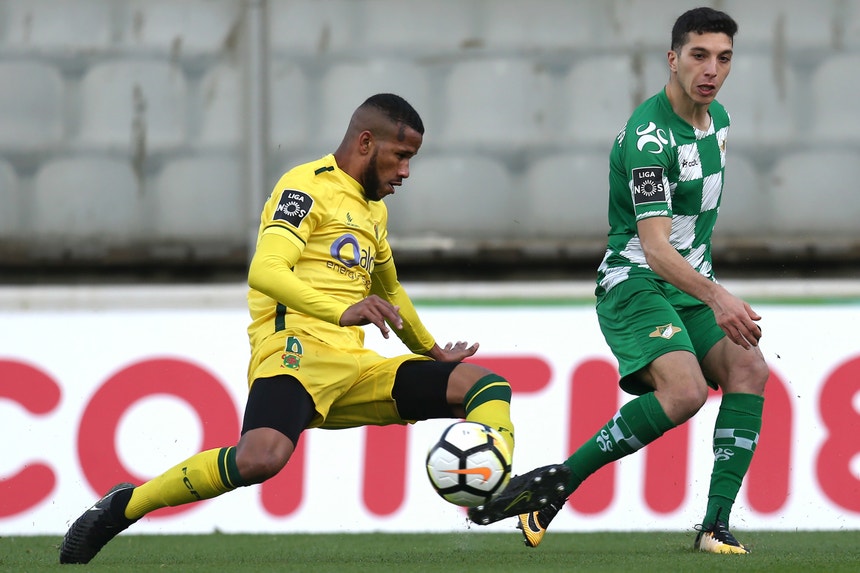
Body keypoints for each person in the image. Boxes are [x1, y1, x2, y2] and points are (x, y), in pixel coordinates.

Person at [59, 93, 568, 565]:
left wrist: (432, 351)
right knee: (261, 459)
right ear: (366, 142)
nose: (407, 171)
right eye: (401, 155)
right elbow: (266, 270)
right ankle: (127, 504)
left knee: (483, 385)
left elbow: (390, 292)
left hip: (355, 365)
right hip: (295, 352)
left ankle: (499, 484)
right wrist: (338, 310)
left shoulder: (374, 211)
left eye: (413, 158)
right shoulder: (306, 185)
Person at [468, 8, 768, 555]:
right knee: (686, 392)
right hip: (636, 281)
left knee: (749, 368)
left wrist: (707, 288)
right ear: (673, 59)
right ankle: (561, 483)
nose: (712, 70)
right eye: (699, 56)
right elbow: (654, 248)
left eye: (723, 58)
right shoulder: (648, 139)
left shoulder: (718, 120)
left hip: (690, 284)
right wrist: (719, 295)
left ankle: (714, 527)